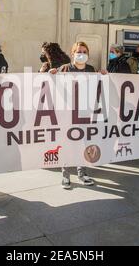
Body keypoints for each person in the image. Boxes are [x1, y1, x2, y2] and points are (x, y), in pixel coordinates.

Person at [50, 42, 108, 190]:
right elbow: (51, 84)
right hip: (68, 114)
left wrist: (103, 76)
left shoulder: (91, 69)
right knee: (68, 143)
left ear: (88, 54)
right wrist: (50, 74)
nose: (81, 54)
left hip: (85, 113)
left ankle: (82, 173)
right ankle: (66, 174)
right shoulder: (64, 69)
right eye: (78, 51)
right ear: (72, 54)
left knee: (83, 143)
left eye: (84, 51)